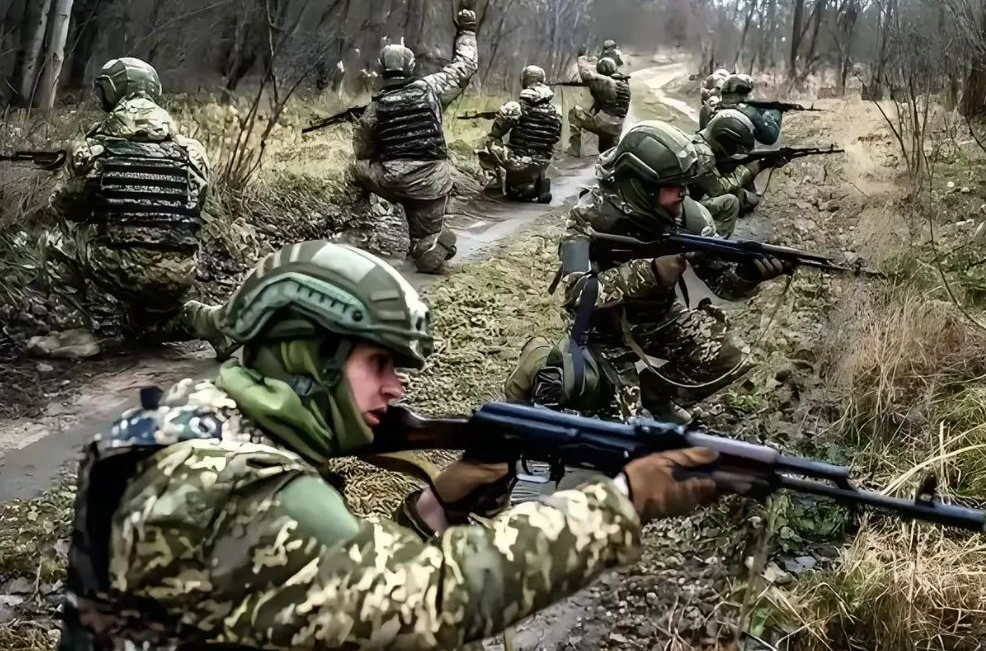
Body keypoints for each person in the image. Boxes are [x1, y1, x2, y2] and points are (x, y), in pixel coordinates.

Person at [59, 239, 726, 651]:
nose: (396, 386)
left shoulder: (201, 420)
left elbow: (310, 587)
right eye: (378, 362)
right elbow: (432, 600)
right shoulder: (246, 490)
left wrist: (438, 503)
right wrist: (623, 503)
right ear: (305, 354)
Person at [504, 121, 790, 423]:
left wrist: (749, 274)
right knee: (614, 423)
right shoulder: (592, 215)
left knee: (732, 356)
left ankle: (657, 394)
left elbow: (722, 284)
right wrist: (650, 272)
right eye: (673, 186)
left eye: (685, 184)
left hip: (660, 319)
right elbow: (576, 294)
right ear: (641, 185)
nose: (683, 193)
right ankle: (540, 359)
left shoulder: (692, 219)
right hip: (602, 329)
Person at [37, 57, 210, 358]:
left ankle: (72, 333)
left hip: (119, 266)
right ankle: (202, 321)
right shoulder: (192, 152)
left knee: (56, 241)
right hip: (179, 270)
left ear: (114, 93)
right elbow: (195, 206)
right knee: (145, 328)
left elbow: (65, 206)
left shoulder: (95, 149)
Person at [351, 9, 478, 275]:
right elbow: (465, 67)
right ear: (411, 67)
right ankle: (427, 245)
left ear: (383, 70)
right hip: (431, 184)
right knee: (425, 236)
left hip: (393, 181)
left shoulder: (375, 108)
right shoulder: (433, 88)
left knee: (356, 168)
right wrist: (467, 30)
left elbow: (362, 151)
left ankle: (360, 224)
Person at [476, 65, 561, 203]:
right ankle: (541, 183)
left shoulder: (516, 107)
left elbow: (496, 133)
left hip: (519, 161)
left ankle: (496, 183)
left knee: (489, 142)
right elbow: (555, 137)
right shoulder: (553, 110)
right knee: (541, 154)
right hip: (543, 160)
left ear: (525, 80)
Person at [687, 108, 767, 235]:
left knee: (743, 197)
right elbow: (718, 190)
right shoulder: (705, 156)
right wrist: (747, 171)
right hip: (684, 205)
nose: (735, 152)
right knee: (730, 202)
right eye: (735, 148)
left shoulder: (697, 141)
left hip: (681, 198)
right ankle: (711, 242)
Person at [567, 54, 630, 157]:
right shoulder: (624, 84)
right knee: (607, 152)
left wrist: (580, 59)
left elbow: (585, 75)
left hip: (602, 123)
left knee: (574, 112)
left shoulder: (604, 83)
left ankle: (573, 151)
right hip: (617, 127)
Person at [716, 74, 782, 146]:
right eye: (725, 94)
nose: (727, 100)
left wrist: (750, 113)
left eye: (730, 95)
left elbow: (771, 137)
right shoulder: (719, 107)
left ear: (745, 95)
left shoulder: (767, 111)